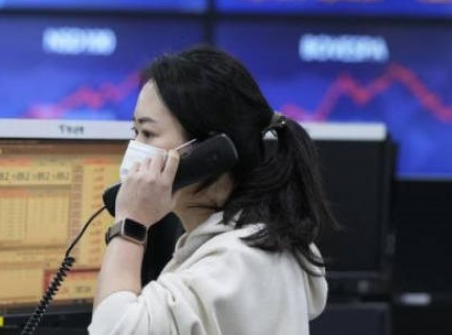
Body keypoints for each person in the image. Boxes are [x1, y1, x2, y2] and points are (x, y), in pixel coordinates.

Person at [89, 46, 335, 335]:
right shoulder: (245, 245)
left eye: (149, 133)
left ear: (211, 153)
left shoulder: (238, 262)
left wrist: (130, 223)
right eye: (135, 132)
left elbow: (114, 330)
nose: (135, 148)